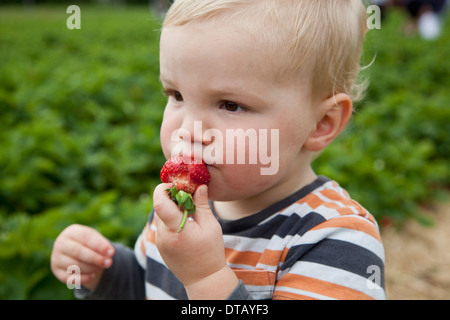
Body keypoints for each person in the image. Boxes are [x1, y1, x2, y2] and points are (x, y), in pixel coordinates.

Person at [51, 0, 386, 300]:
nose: (188, 131)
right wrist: (105, 274)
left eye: (231, 105)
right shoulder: (180, 207)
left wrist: (205, 278)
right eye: (176, 96)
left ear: (321, 123)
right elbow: (149, 286)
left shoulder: (335, 239)